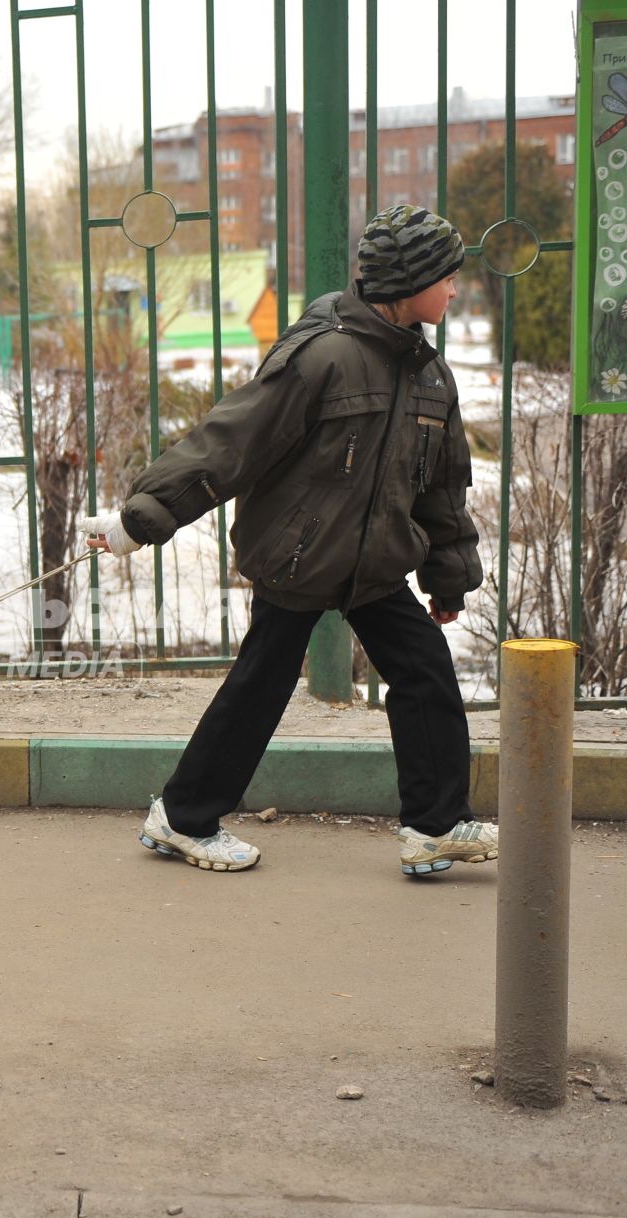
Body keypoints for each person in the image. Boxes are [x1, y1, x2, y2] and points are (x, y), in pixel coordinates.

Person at [80, 205, 497, 877]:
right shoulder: (322, 356)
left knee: (424, 670)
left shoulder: (429, 377)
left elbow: (441, 490)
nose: (454, 289)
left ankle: (435, 825)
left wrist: (447, 577)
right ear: (408, 282)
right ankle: (184, 817)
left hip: (378, 563)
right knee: (262, 686)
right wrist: (145, 514)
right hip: (300, 558)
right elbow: (232, 440)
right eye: (447, 276)